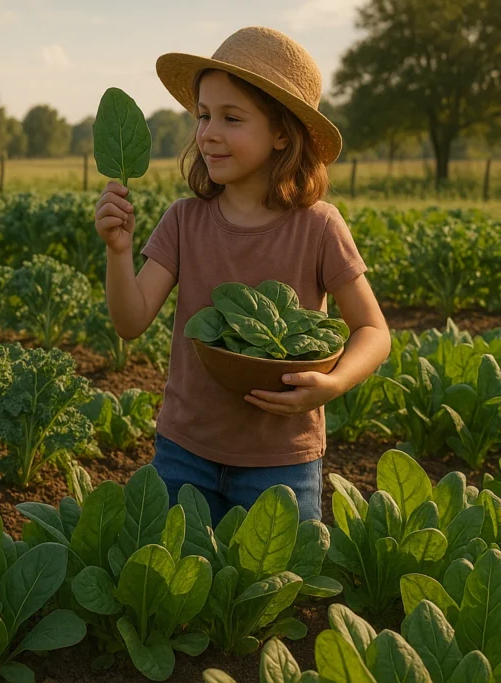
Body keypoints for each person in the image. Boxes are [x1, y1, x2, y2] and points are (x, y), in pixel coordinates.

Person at [95, 26, 391, 523]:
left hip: (282, 460)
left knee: (273, 591)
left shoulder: (318, 226)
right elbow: (130, 321)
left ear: (282, 133)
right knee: (177, 592)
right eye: (204, 115)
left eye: (232, 118)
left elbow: (374, 331)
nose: (209, 132)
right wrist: (117, 251)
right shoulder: (183, 220)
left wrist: (334, 384)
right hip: (184, 450)